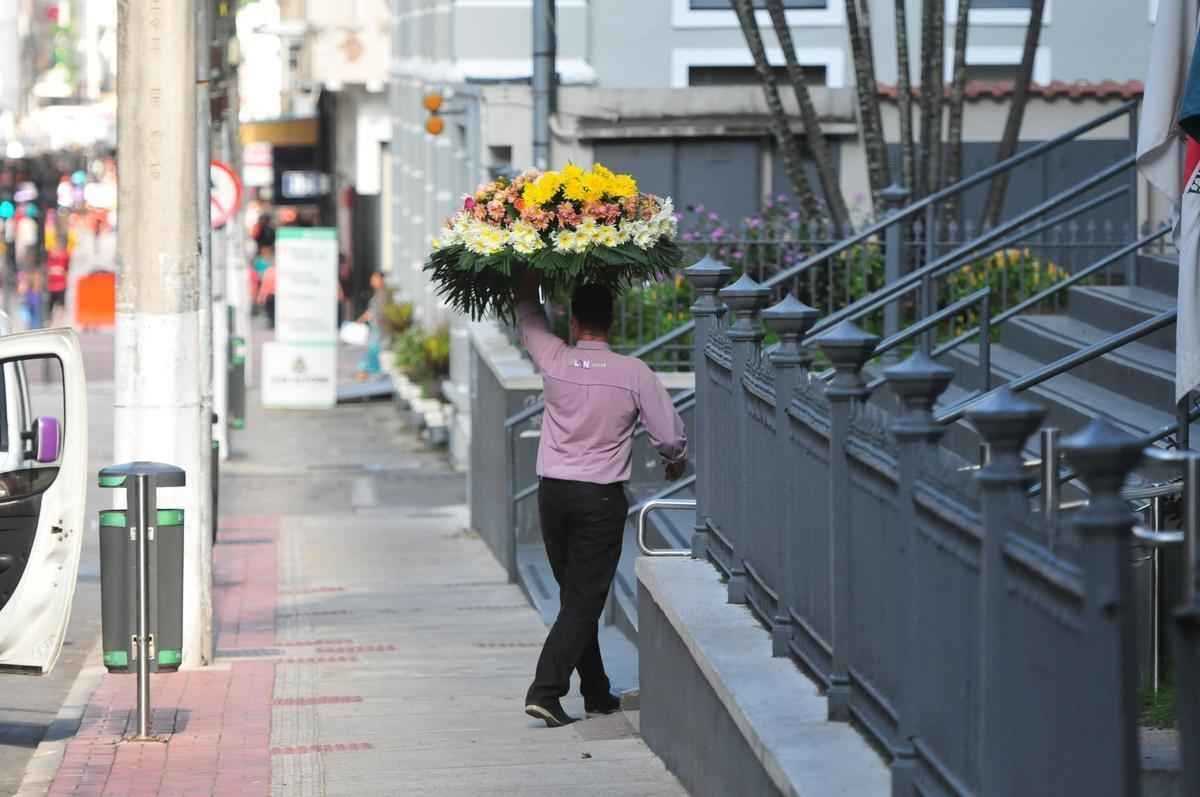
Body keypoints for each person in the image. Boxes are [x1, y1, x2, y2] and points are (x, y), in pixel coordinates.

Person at [518, 277, 687, 728]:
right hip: (599, 498)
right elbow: (670, 437)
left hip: (553, 495)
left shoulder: (555, 358)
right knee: (583, 599)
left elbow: (529, 318)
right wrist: (674, 461)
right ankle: (546, 690)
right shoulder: (633, 373)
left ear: (573, 322)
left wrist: (523, 277)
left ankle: (596, 691)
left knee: (576, 596)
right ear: (611, 322)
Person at [355, 271, 386, 381]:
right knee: (373, 352)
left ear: (381, 280)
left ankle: (363, 373)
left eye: (374, 279)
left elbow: (378, 312)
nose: (372, 281)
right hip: (375, 329)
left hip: (379, 329)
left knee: (372, 351)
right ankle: (370, 374)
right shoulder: (379, 294)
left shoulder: (383, 295)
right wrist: (360, 320)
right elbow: (371, 312)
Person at [46, 244, 69, 325]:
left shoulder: (64, 256)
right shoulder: (49, 257)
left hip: (61, 286)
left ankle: (61, 321)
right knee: (50, 306)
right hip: (51, 287)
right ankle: (50, 321)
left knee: (61, 305)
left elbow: (66, 270)